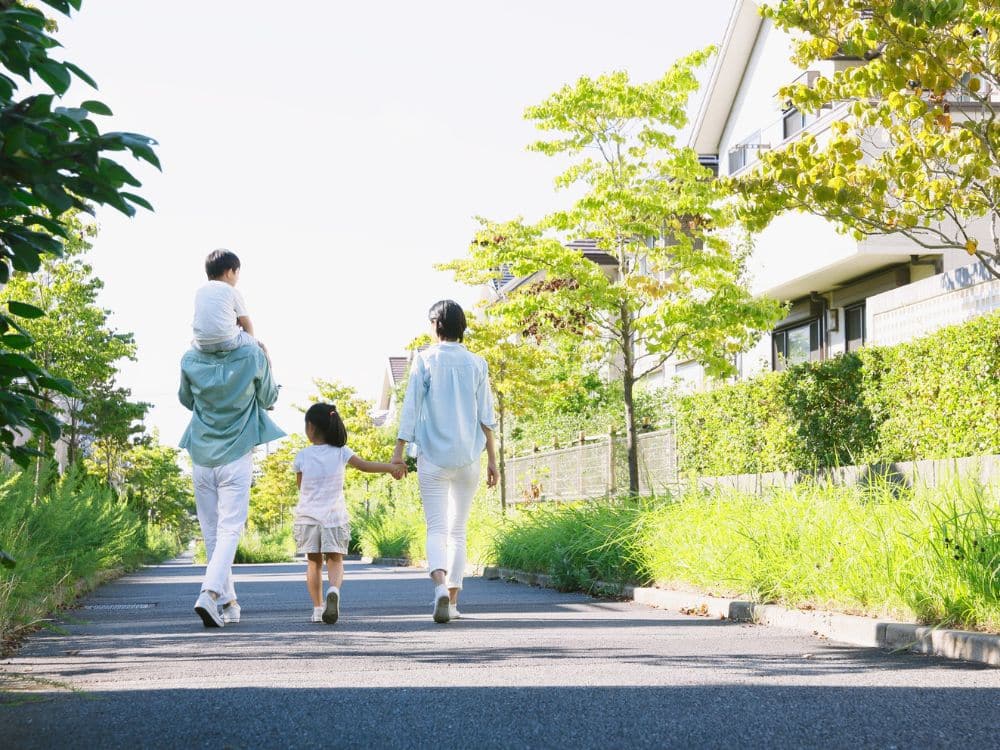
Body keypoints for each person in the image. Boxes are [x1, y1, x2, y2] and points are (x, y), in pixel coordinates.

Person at [391, 300, 498, 624]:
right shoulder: (478, 363)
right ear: (461, 326)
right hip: (468, 458)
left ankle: (438, 585)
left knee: (437, 528)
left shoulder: (425, 361)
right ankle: (452, 602)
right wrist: (493, 460)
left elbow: (410, 409)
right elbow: (487, 417)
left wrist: (398, 453)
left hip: (433, 456)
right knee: (458, 530)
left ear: (436, 325)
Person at [179, 340, 284, 627]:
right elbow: (268, 397)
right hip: (236, 455)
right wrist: (267, 358)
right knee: (230, 529)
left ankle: (229, 603)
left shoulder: (190, 358)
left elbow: (187, 400)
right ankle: (209, 593)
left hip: (201, 455)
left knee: (212, 533)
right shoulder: (253, 354)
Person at [293, 403, 406, 624]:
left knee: (313, 563)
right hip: (334, 517)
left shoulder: (302, 456)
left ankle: (317, 609)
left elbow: (301, 487)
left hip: (308, 518)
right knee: (335, 560)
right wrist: (392, 468)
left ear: (311, 427)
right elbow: (365, 466)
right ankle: (333, 589)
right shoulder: (342, 452)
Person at [191, 248, 268, 358]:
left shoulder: (200, 291)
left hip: (202, 344)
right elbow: (246, 323)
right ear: (229, 273)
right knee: (260, 347)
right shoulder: (231, 291)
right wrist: (252, 342)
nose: (238, 277)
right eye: (237, 273)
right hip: (227, 341)